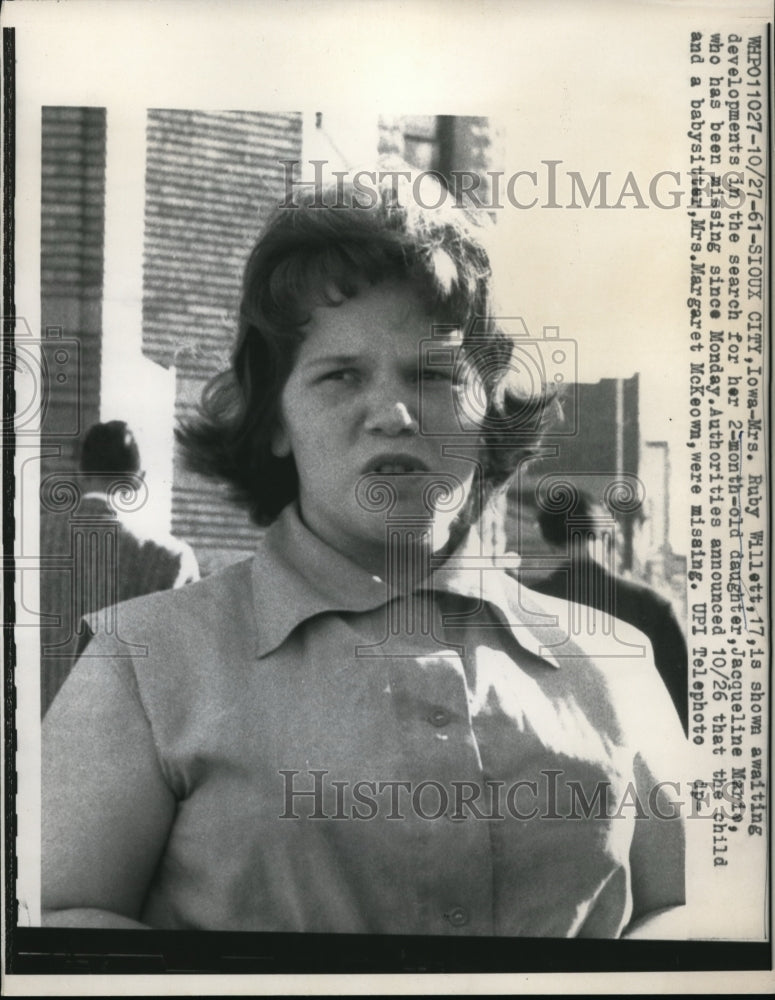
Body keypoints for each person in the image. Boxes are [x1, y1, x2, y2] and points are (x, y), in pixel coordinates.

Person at [42, 171, 687, 937]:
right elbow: (58, 922)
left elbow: (686, 909)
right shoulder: (138, 664)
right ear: (274, 419)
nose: (392, 412)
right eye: (340, 375)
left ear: (488, 417)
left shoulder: (614, 659)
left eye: (434, 374)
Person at [39, 420, 200, 713]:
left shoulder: (25, 543)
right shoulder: (171, 558)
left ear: (80, 474)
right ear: (139, 479)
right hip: (124, 747)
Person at [526, 492, 689, 734]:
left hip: (556, 754)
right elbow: (682, 699)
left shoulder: (526, 605)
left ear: (550, 543)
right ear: (606, 534)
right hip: (636, 748)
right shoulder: (651, 605)